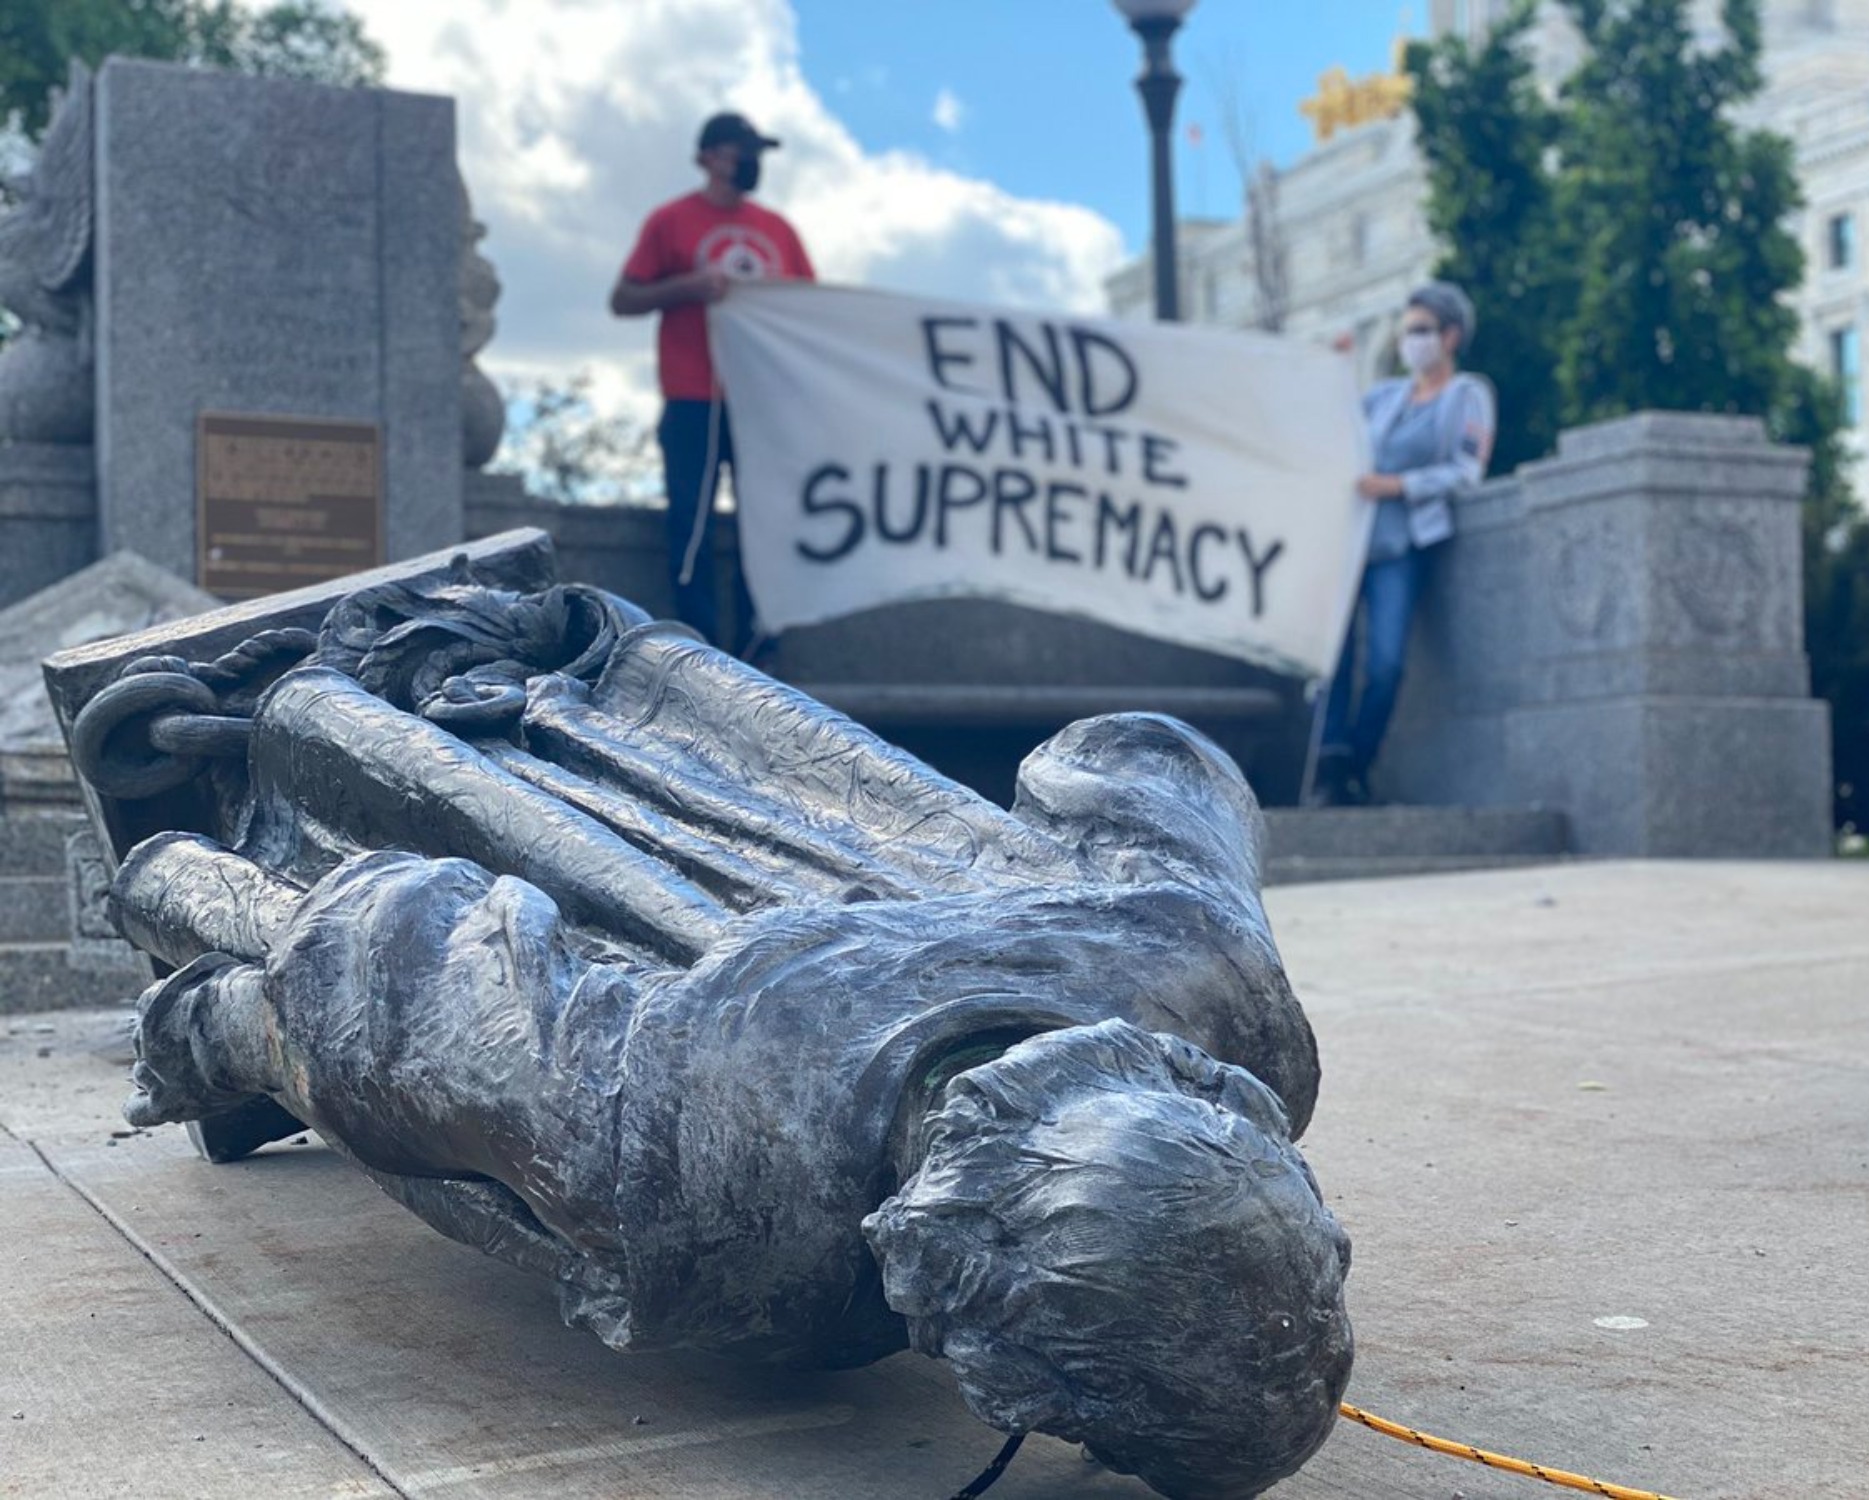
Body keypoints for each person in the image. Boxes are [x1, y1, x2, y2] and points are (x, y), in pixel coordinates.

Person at [84, 570, 1354, 1500]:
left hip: (605, 693)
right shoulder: (701, 1189)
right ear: (1007, 1388)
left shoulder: (1219, 987)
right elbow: (383, 969)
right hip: (456, 768)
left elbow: (1140, 757)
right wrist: (221, 1026)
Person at [611, 112, 815, 654]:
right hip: (693, 396)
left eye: (756, 154)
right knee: (692, 525)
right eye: (739, 152)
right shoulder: (671, 222)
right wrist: (688, 287)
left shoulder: (778, 231)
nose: (751, 164)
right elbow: (623, 298)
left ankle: (759, 649)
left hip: (759, 402)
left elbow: (811, 311)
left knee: (766, 525)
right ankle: (699, 648)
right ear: (707, 157)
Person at [1317, 281, 1496, 805]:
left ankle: (1358, 758)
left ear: (1451, 335)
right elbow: (1339, 432)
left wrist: (1399, 486)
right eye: (1406, 332)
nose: (1410, 342)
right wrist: (1332, 371)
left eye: (1421, 331)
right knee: (1333, 661)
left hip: (1402, 548)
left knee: (1387, 663)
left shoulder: (1469, 394)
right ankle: (1328, 765)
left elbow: (1467, 472)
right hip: (1352, 546)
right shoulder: (1383, 396)